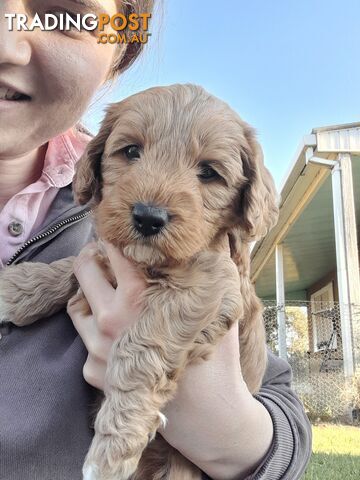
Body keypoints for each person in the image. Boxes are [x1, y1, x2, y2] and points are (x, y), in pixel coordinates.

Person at [0, 1, 312, 479]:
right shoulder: (98, 222)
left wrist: (229, 433)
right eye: (132, 152)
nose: (7, 42)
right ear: (97, 164)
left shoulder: (211, 259)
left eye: (209, 173)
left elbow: (283, 423)